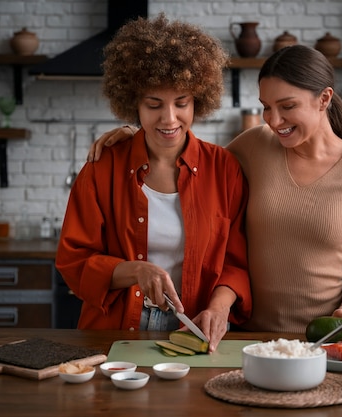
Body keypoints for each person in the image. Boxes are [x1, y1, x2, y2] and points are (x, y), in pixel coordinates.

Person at [89, 45, 342, 343]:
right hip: (248, 336)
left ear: (324, 99)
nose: (273, 120)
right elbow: (193, 159)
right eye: (266, 107)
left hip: (324, 338)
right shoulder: (254, 145)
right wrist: (138, 138)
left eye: (287, 107)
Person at [56, 14, 252, 352]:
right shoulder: (102, 168)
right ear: (134, 103)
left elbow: (235, 263)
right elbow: (74, 261)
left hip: (193, 331)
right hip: (112, 331)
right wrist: (134, 271)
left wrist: (218, 309)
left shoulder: (225, 169)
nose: (169, 119)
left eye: (182, 103)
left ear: (198, 101)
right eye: (154, 104)